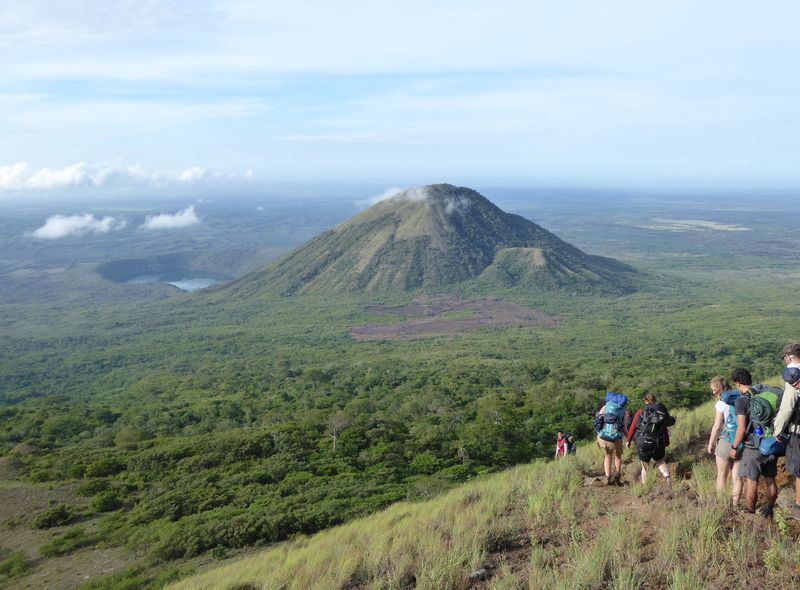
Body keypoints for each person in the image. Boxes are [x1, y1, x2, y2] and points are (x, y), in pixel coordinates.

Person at [729, 367, 778, 517]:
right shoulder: (765, 394)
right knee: (770, 480)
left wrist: (734, 447)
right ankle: (769, 510)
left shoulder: (741, 401)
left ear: (738, 384)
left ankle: (750, 512)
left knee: (751, 481)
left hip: (753, 447)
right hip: (770, 443)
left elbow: (741, 428)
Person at [706, 376, 743, 506]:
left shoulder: (721, 403)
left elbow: (717, 426)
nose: (713, 392)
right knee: (737, 477)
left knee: (722, 475)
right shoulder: (740, 397)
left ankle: (722, 505)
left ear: (721, 388)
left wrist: (711, 443)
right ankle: (735, 504)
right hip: (741, 441)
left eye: (714, 389)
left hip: (726, 440)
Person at [627, 393, 675, 485]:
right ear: (655, 400)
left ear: (646, 401)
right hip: (658, 442)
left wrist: (628, 441)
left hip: (643, 441)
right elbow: (664, 429)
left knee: (645, 467)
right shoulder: (661, 413)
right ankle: (667, 477)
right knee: (660, 461)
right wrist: (667, 442)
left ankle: (645, 487)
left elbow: (633, 427)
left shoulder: (641, 411)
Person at [775, 344, 800, 520]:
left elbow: (787, 408)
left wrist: (777, 430)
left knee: (799, 468)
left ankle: (798, 505)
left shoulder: (793, 375)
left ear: (789, 357)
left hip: (798, 430)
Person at [595, 392, 628, 485]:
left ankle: (607, 477)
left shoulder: (605, 407)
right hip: (616, 437)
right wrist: (629, 439)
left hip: (603, 437)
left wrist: (598, 433)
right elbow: (625, 428)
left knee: (607, 456)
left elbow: (598, 421)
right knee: (618, 457)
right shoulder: (624, 412)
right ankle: (617, 477)